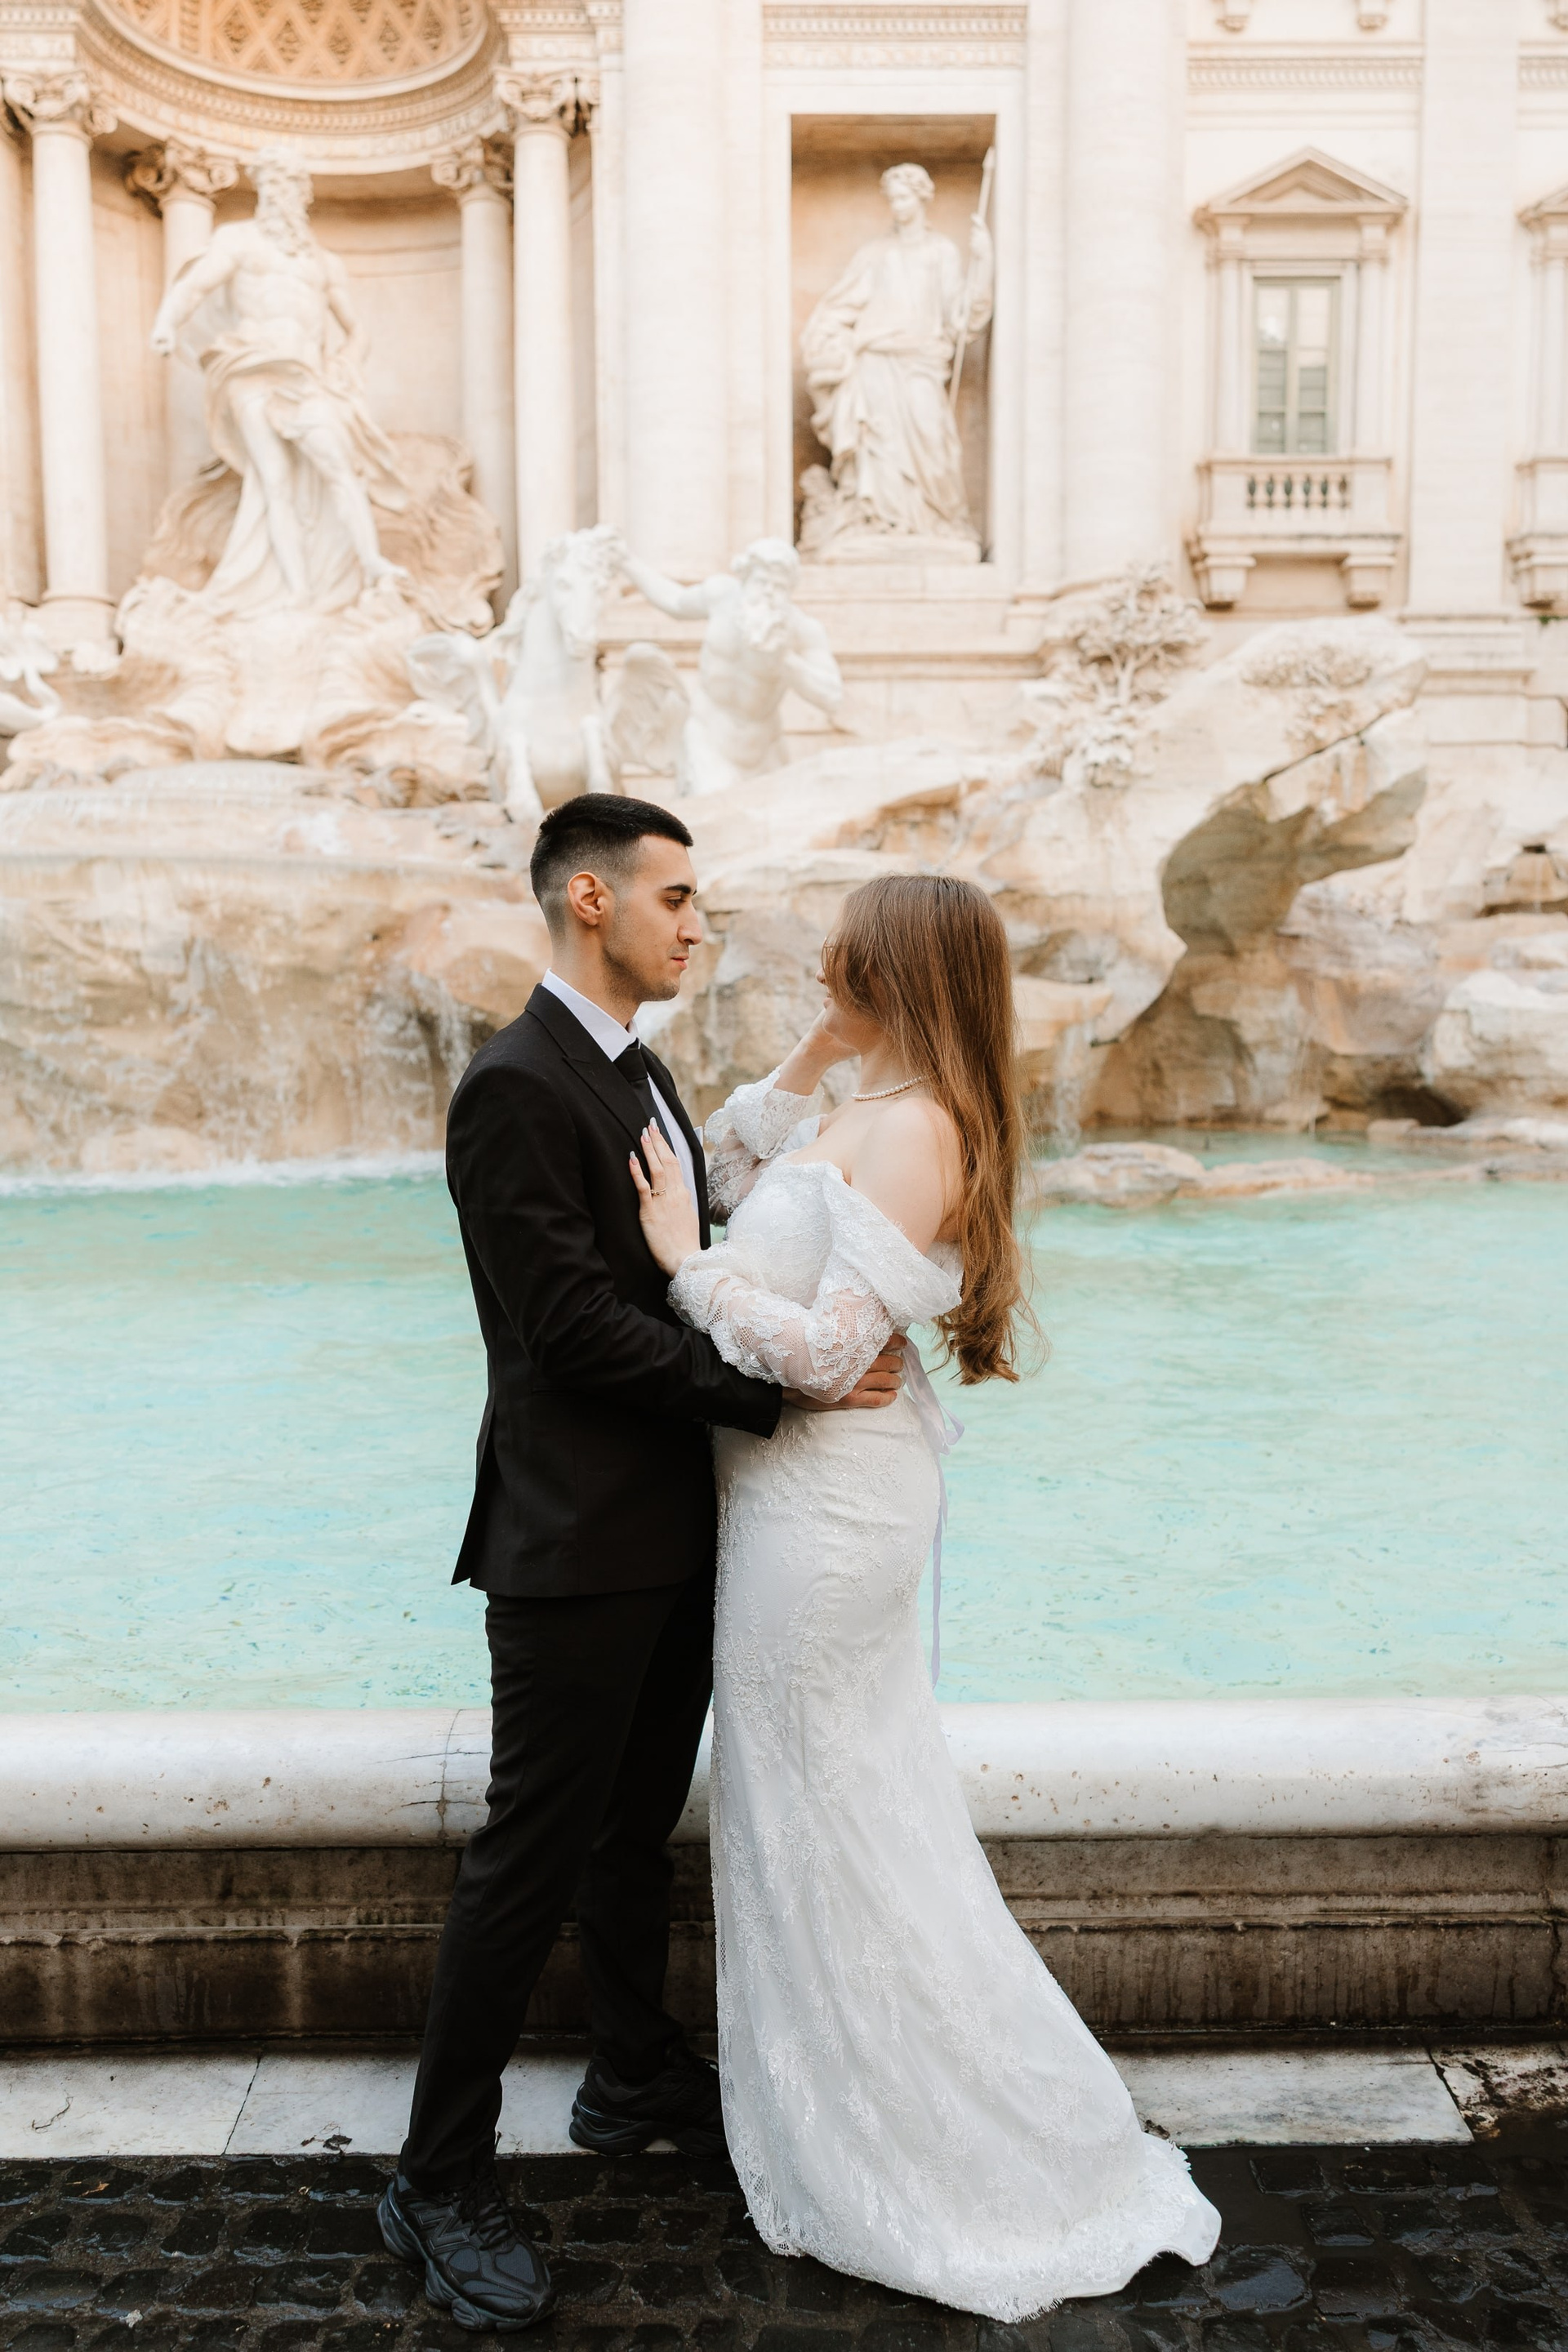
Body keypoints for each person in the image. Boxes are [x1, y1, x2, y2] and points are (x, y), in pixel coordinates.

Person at [628, 874, 1222, 2318]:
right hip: (789, 1501)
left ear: (889, 966)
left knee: (834, 1811)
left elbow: (826, 1356)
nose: (818, 959)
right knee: (810, 1805)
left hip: (829, 1510)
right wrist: (819, 1047)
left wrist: (685, 1273)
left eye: (843, 951)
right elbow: (725, 1161)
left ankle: (943, 2149)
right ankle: (845, 2113)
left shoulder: (918, 1129)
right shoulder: (866, 1101)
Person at [376, 795, 906, 2333]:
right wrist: (780, 1390)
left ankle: (627, 2074)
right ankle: (436, 2178)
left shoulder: (636, 1066)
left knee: (630, 1834)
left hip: (677, 1525)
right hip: (575, 1542)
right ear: (590, 900)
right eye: (677, 898)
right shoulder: (513, 1084)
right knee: (528, 1859)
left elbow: (703, 1230)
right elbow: (570, 1330)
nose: (698, 923)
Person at [149, 145, 407, 615]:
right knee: (275, 481)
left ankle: (371, 563)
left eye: (286, 185)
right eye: (269, 185)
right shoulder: (239, 241)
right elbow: (195, 285)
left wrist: (348, 361)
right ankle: (297, 591)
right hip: (251, 368)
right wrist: (167, 322)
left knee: (340, 467)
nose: (277, 195)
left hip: (308, 377)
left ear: (302, 194)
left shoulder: (324, 263)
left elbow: (357, 329)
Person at [799, 162, 992, 555]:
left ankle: (937, 521)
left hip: (921, 360)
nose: (898, 206)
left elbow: (960, 316)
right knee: (878, 445)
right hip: (874, 361)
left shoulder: (941, 251)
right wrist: (827, 341)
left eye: (904, 198)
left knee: (931, 438)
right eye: (892, 199)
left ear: (922, 199)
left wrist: (984, 261)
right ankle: (876, 519)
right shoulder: (875, 254)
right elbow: (839, 307)